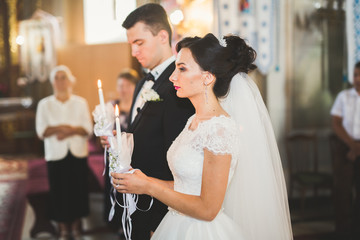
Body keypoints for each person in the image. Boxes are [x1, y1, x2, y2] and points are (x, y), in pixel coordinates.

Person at [111, 33, 293, 239]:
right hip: (176, 223)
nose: (172, 77)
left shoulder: (220, 129)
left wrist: (149, 186)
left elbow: (208, 209)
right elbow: (187, 185)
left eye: (182, 69)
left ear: (207, 77)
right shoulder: (194, 121)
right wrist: (143, 181)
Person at [100, 3, 194, 239]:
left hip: (159, 208)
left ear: (163, 36)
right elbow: (141, 135)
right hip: (137, 202)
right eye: (131, 44)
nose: (134, 52)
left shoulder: (178, 85)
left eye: (139, 43)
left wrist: (159, 220)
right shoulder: (143, 83)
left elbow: (178, 159)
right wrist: (119, 142)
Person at [35, 65, 93, 240]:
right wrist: (67, 128)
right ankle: (63, 230)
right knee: (58, 192)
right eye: (57, 78)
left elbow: (87, 129)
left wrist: (65, 130)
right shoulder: (45, 104)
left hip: (76, 153)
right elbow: (42, 131)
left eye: (63, 77)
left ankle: (76, 228)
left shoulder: (80, 102)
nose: (60, 81)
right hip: (55, 154)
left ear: (70, 81)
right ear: (52, 82)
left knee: (78, 191)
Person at [103, 68, 140, 230]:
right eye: (120, 86)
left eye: (127, 85)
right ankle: (116, 223)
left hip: (136, 157)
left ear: (135, 86)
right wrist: (104, 140)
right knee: (115, 188)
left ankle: (132, 221)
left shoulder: (140, 106)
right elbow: (103, 132)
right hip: (115, 157)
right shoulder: (111, 107)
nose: (123, 89)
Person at [331, 61, 360, 239]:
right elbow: (336, 123)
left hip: (357, 148)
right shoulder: (343, 96)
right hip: (346, 148)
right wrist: (353, 147)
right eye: (355, 75)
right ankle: (343, 233)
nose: (357, 79)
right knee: (343, 193)